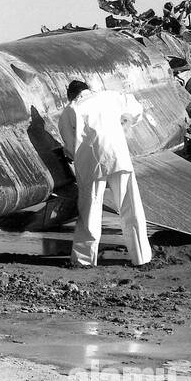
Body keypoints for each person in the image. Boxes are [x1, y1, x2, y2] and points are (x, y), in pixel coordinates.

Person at [57, 79, 152, 269]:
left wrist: (69, 154)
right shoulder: (109, 96)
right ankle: (141, 257)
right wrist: (125, 122)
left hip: (91, 162)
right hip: (118, 155)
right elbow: (135, 108)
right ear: (88, 89)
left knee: (90, 211)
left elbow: (69, 145)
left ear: (71, 95)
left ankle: (84, 260)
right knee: (131, 207)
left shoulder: (69, 111)